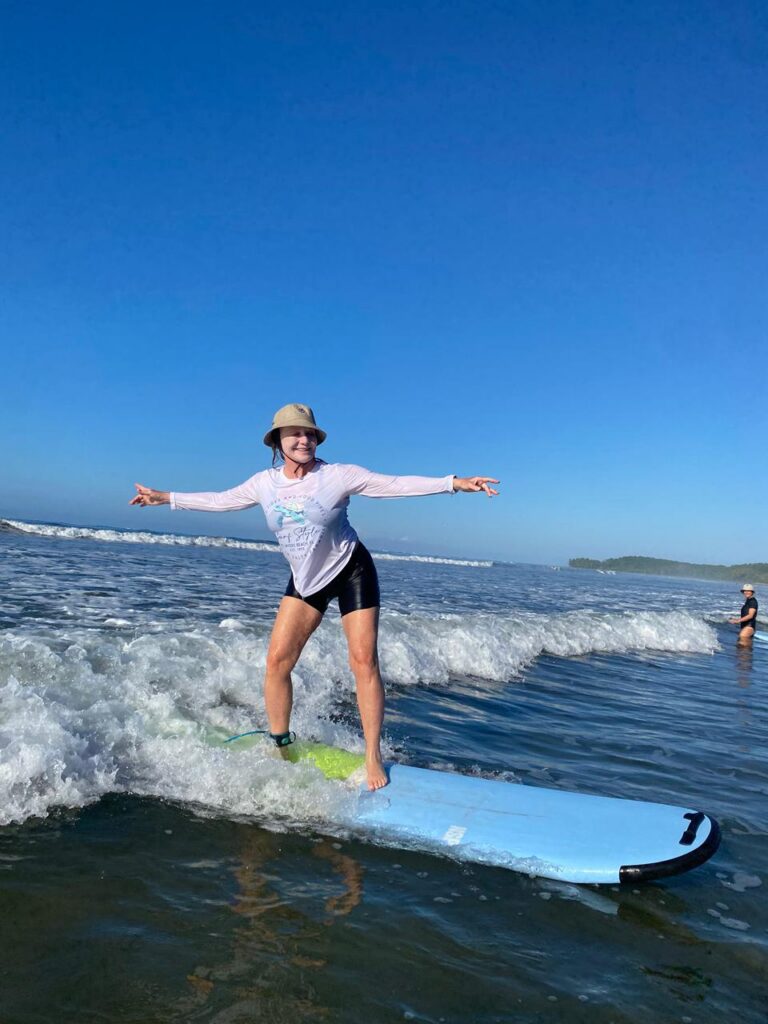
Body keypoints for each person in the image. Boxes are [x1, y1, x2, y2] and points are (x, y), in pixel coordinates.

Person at [130, 403, 499, 790]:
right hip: (306, 581)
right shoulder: (263, 483)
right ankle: (281, 743)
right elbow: (221, 500)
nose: (303, 439)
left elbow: (393, 485)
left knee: (363, 661)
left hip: (351, 570)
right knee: (276, 662)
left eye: (309, 433)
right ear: (278, 441)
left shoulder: (337, 475)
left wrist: (453, 482)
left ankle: (373, 754)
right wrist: (166, 497)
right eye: (294, 434)